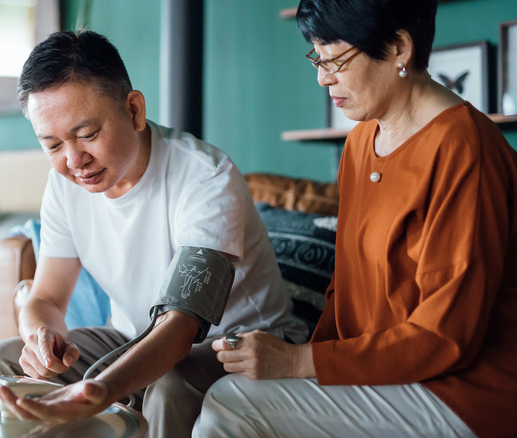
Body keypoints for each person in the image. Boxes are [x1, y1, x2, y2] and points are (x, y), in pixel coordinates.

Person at [193, 0, 517, 437]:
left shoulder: (464, 148)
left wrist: (296, 363)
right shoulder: (362, 141)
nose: (323, 77)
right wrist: (303, 363)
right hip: (384, 375)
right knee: (215, 384)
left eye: (336, 60)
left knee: (233, 404)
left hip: (463, 391)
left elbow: (446, 336)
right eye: (318, 59)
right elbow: (344, 290)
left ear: (400, 47)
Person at [0, 29, 307, 437]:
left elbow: (181, 326)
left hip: (236, 343)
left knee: (173, 382)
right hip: (133, 335)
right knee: (5, 360)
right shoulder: (64, 185)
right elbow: (46, 298)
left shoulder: (205, 177)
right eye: (52, 145)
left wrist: (101, 389)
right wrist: (41, 338)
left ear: (134, 109)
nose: (73, 160)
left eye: (87, 135)